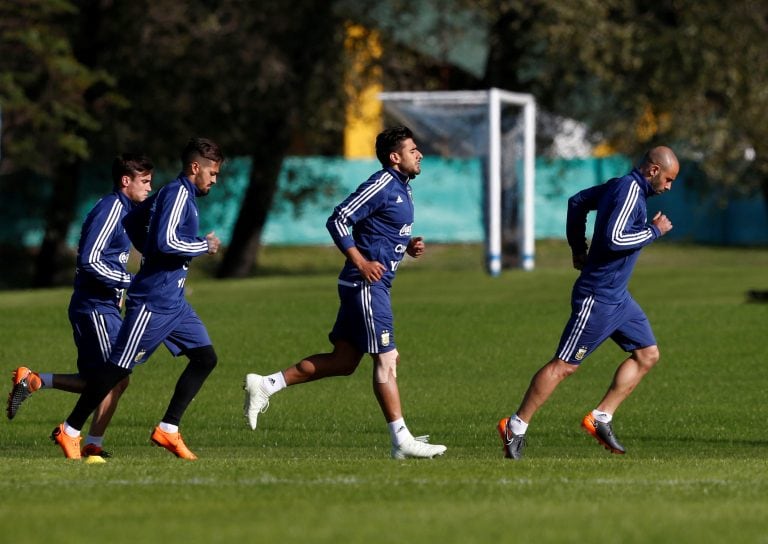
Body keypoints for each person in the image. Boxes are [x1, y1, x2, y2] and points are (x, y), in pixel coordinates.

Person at [243, 126, 446, 459]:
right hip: (366, 284)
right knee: (386, 359)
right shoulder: (382, 183)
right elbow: (338, 219)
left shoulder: (402, 188)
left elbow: (377, 228)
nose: (419, 154)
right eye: (413, 150)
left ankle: (266, 384)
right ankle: (401, 440)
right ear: (395, 158)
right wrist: (362, 262)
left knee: (344, 361)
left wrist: (405, 245)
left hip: (369, 284)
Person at [497, 146, 678, 460]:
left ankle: (601, 417)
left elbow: (577, 202)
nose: (669, 186)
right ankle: (516, 425)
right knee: (564, 365)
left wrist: (577, 248)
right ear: (653, 171)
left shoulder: (620, 187)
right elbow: (615, 239)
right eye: (668, 179)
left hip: (618, 297)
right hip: (597, 297)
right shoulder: (627, 192)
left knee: (647, 355)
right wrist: (654, 230)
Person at [50, 137, 224, 461]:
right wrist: (204, 246)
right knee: (117, 368)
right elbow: (168, 241)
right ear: (195, 167)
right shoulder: (176, 194)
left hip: (175, 303)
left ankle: (168, 429)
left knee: (205, 358)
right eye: (212, 173)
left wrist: (151, 255)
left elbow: (132, 222)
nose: (214, 180)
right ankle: (71, 429)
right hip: (153, 303)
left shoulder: (179, 196)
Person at [6, 154, 154, 458]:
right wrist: (127, 281)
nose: (150, 188)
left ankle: (34, 380)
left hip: (103, 306)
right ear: (126, 181)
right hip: (94, 306)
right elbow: (90, 260)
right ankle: (86, 442)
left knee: (99, 380)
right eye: (145, 181)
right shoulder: (112, 208)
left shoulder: (126, 210)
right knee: (116, 377)